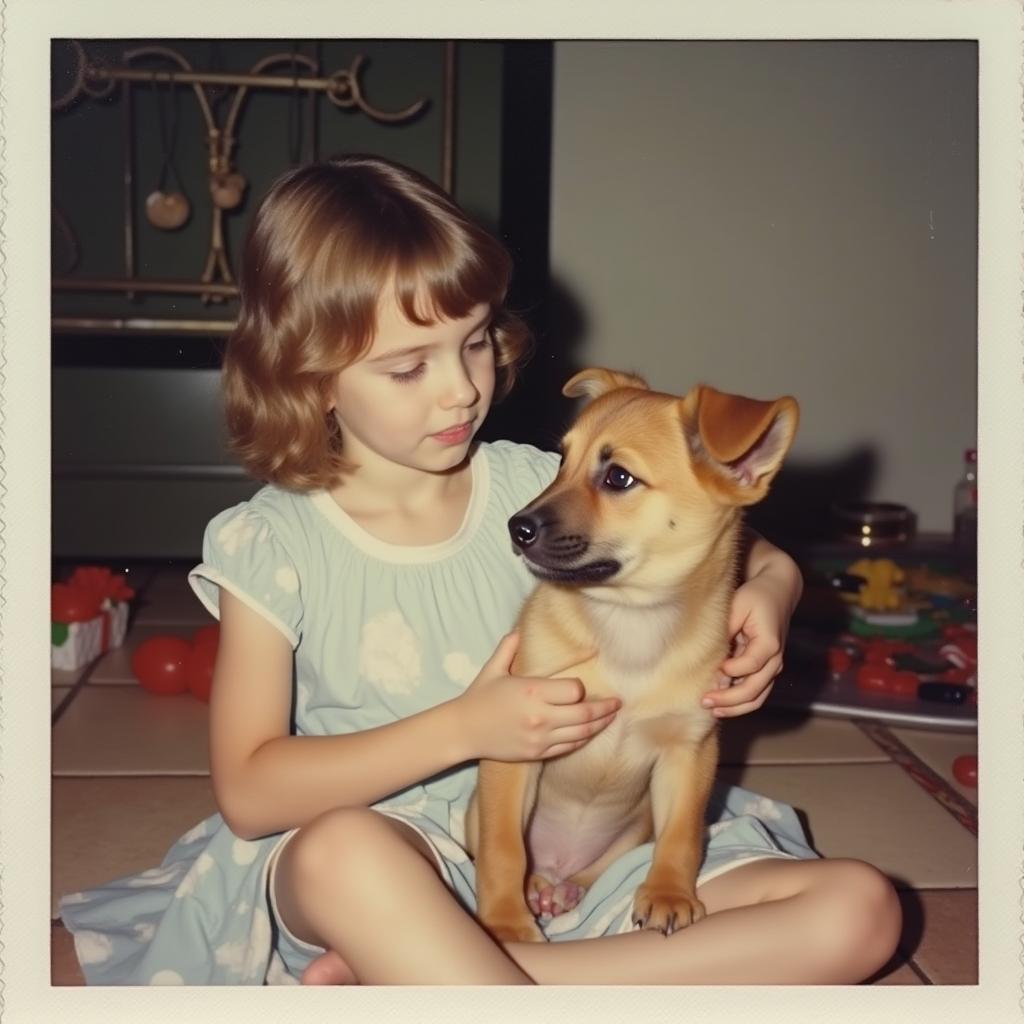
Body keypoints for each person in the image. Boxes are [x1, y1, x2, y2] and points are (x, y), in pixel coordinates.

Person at [59, 155, 901, 986]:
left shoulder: (529, 483)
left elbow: (730, 532)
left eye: (474, 344)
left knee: (862, 909)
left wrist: (774, 591)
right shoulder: (274, 544)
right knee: (340, 853)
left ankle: (471, 978)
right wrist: (464, 730)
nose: (462, 390)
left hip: (602, 848)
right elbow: (247, 791)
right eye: (407, 366)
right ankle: (464, 964)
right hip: (395, 849)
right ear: (307, 379)